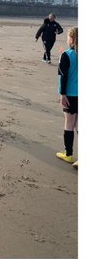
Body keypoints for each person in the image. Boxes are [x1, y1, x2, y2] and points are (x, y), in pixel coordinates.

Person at [56, 26, 77, 166]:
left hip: (70, 94)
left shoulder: (66, 55)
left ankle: (68, 154)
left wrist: (62, 94)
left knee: (69, 124)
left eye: (68, 37)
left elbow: (62, 77)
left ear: (72, 39)